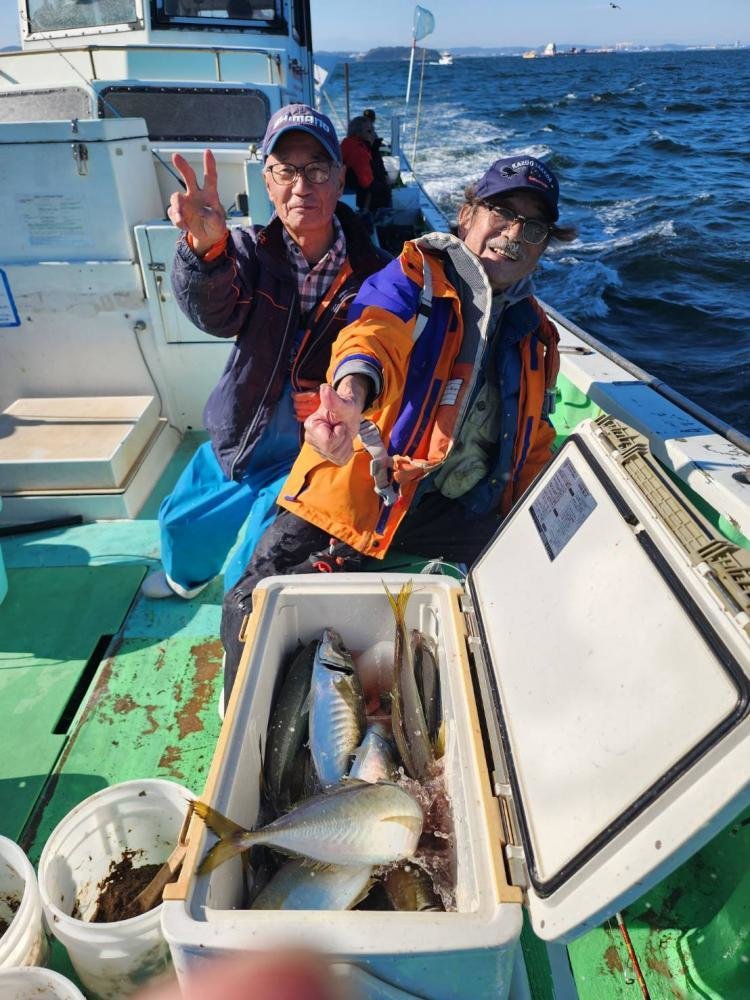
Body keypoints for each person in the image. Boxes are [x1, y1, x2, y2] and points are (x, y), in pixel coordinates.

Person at [220, 155, 577, 695]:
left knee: (530, 610)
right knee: (252, 604)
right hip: (362, 485)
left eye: (533, 228)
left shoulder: (537, 335)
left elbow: (532, 439)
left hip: (457, 509)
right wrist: (349, 393)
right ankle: (244, 713)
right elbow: (372, 334)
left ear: (544, 246)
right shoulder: (413, 277)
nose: (513, 235)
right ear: (467, 214)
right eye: (502, 214)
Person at [141, 104, 389, 600]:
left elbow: (384, 353)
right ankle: (183, 580)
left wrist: (343, 398)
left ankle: (248, 624)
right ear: (267, 182)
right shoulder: (244, 250)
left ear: (340, 179)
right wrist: (205, 250)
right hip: (243, 424)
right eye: (286, 171)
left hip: (317, 446)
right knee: (181, 522)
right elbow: (217, 314)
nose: (302, 186)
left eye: (317, 170)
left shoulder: (378, 273)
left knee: (258, 558)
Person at [340, 116, 391, 213]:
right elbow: (367, 183)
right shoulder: (359, 151)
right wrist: (385, 186)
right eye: (369, 131)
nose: (374, 134)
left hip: (351, 194)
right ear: (357, 134)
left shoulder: (347, 144)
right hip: (362, 202)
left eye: (373, 130)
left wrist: (374, 149)